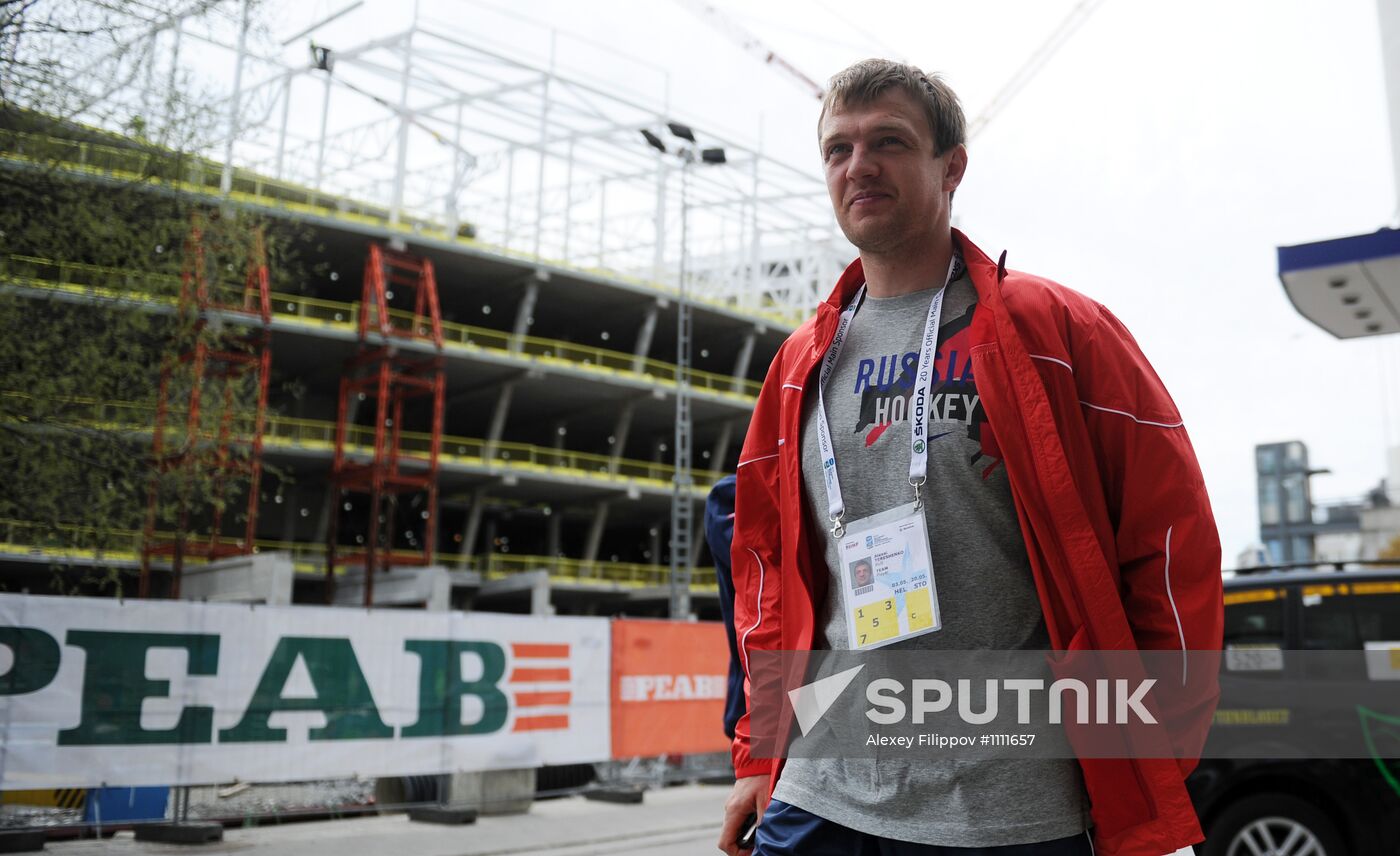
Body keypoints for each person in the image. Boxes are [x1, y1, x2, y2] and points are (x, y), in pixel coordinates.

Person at [717, 59, 1222, 856]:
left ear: (951, 165)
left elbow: (1166, 544)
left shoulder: (1059, 332)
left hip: (1011, 805)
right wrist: (758, 751)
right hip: (823, 793)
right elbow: (765, 571)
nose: (860, 166)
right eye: (838, 149)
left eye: (889, 141)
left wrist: (1151, 749)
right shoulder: (798, 366)